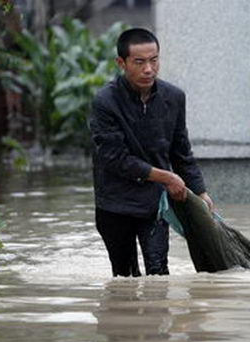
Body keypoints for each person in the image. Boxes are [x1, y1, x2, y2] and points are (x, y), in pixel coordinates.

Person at [90, 28, 214, 277]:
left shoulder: (174, 97)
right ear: (121, 63)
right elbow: (115, 158)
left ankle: (156, 317)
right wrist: (167, 178)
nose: (148, 69)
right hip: (115, 204)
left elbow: (181, 151)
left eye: (154, 60)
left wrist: (200, 191)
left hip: (154, 205)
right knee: (124, 277)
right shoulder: (105, 101)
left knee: (158, 273)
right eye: (139, 62)